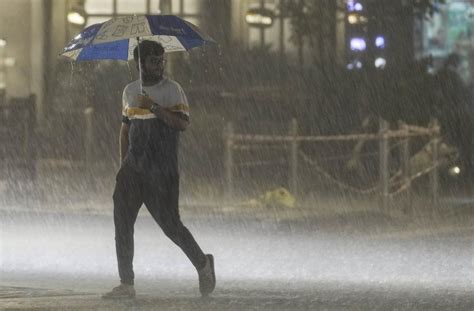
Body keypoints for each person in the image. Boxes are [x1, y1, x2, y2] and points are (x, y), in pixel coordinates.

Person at [103, 40, 216, 299]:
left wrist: (153, 106)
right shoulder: (129, 92)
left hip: (161, 172)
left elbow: (182, 124)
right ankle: (126, 283)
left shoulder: (173, 90)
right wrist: (123, 165)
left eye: (161, 60)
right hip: (133, 170)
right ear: (139, 64)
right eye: (154, 60)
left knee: (170, 225)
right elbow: (125, 129)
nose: (159, 65)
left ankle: (203, 263)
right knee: (122, 222)